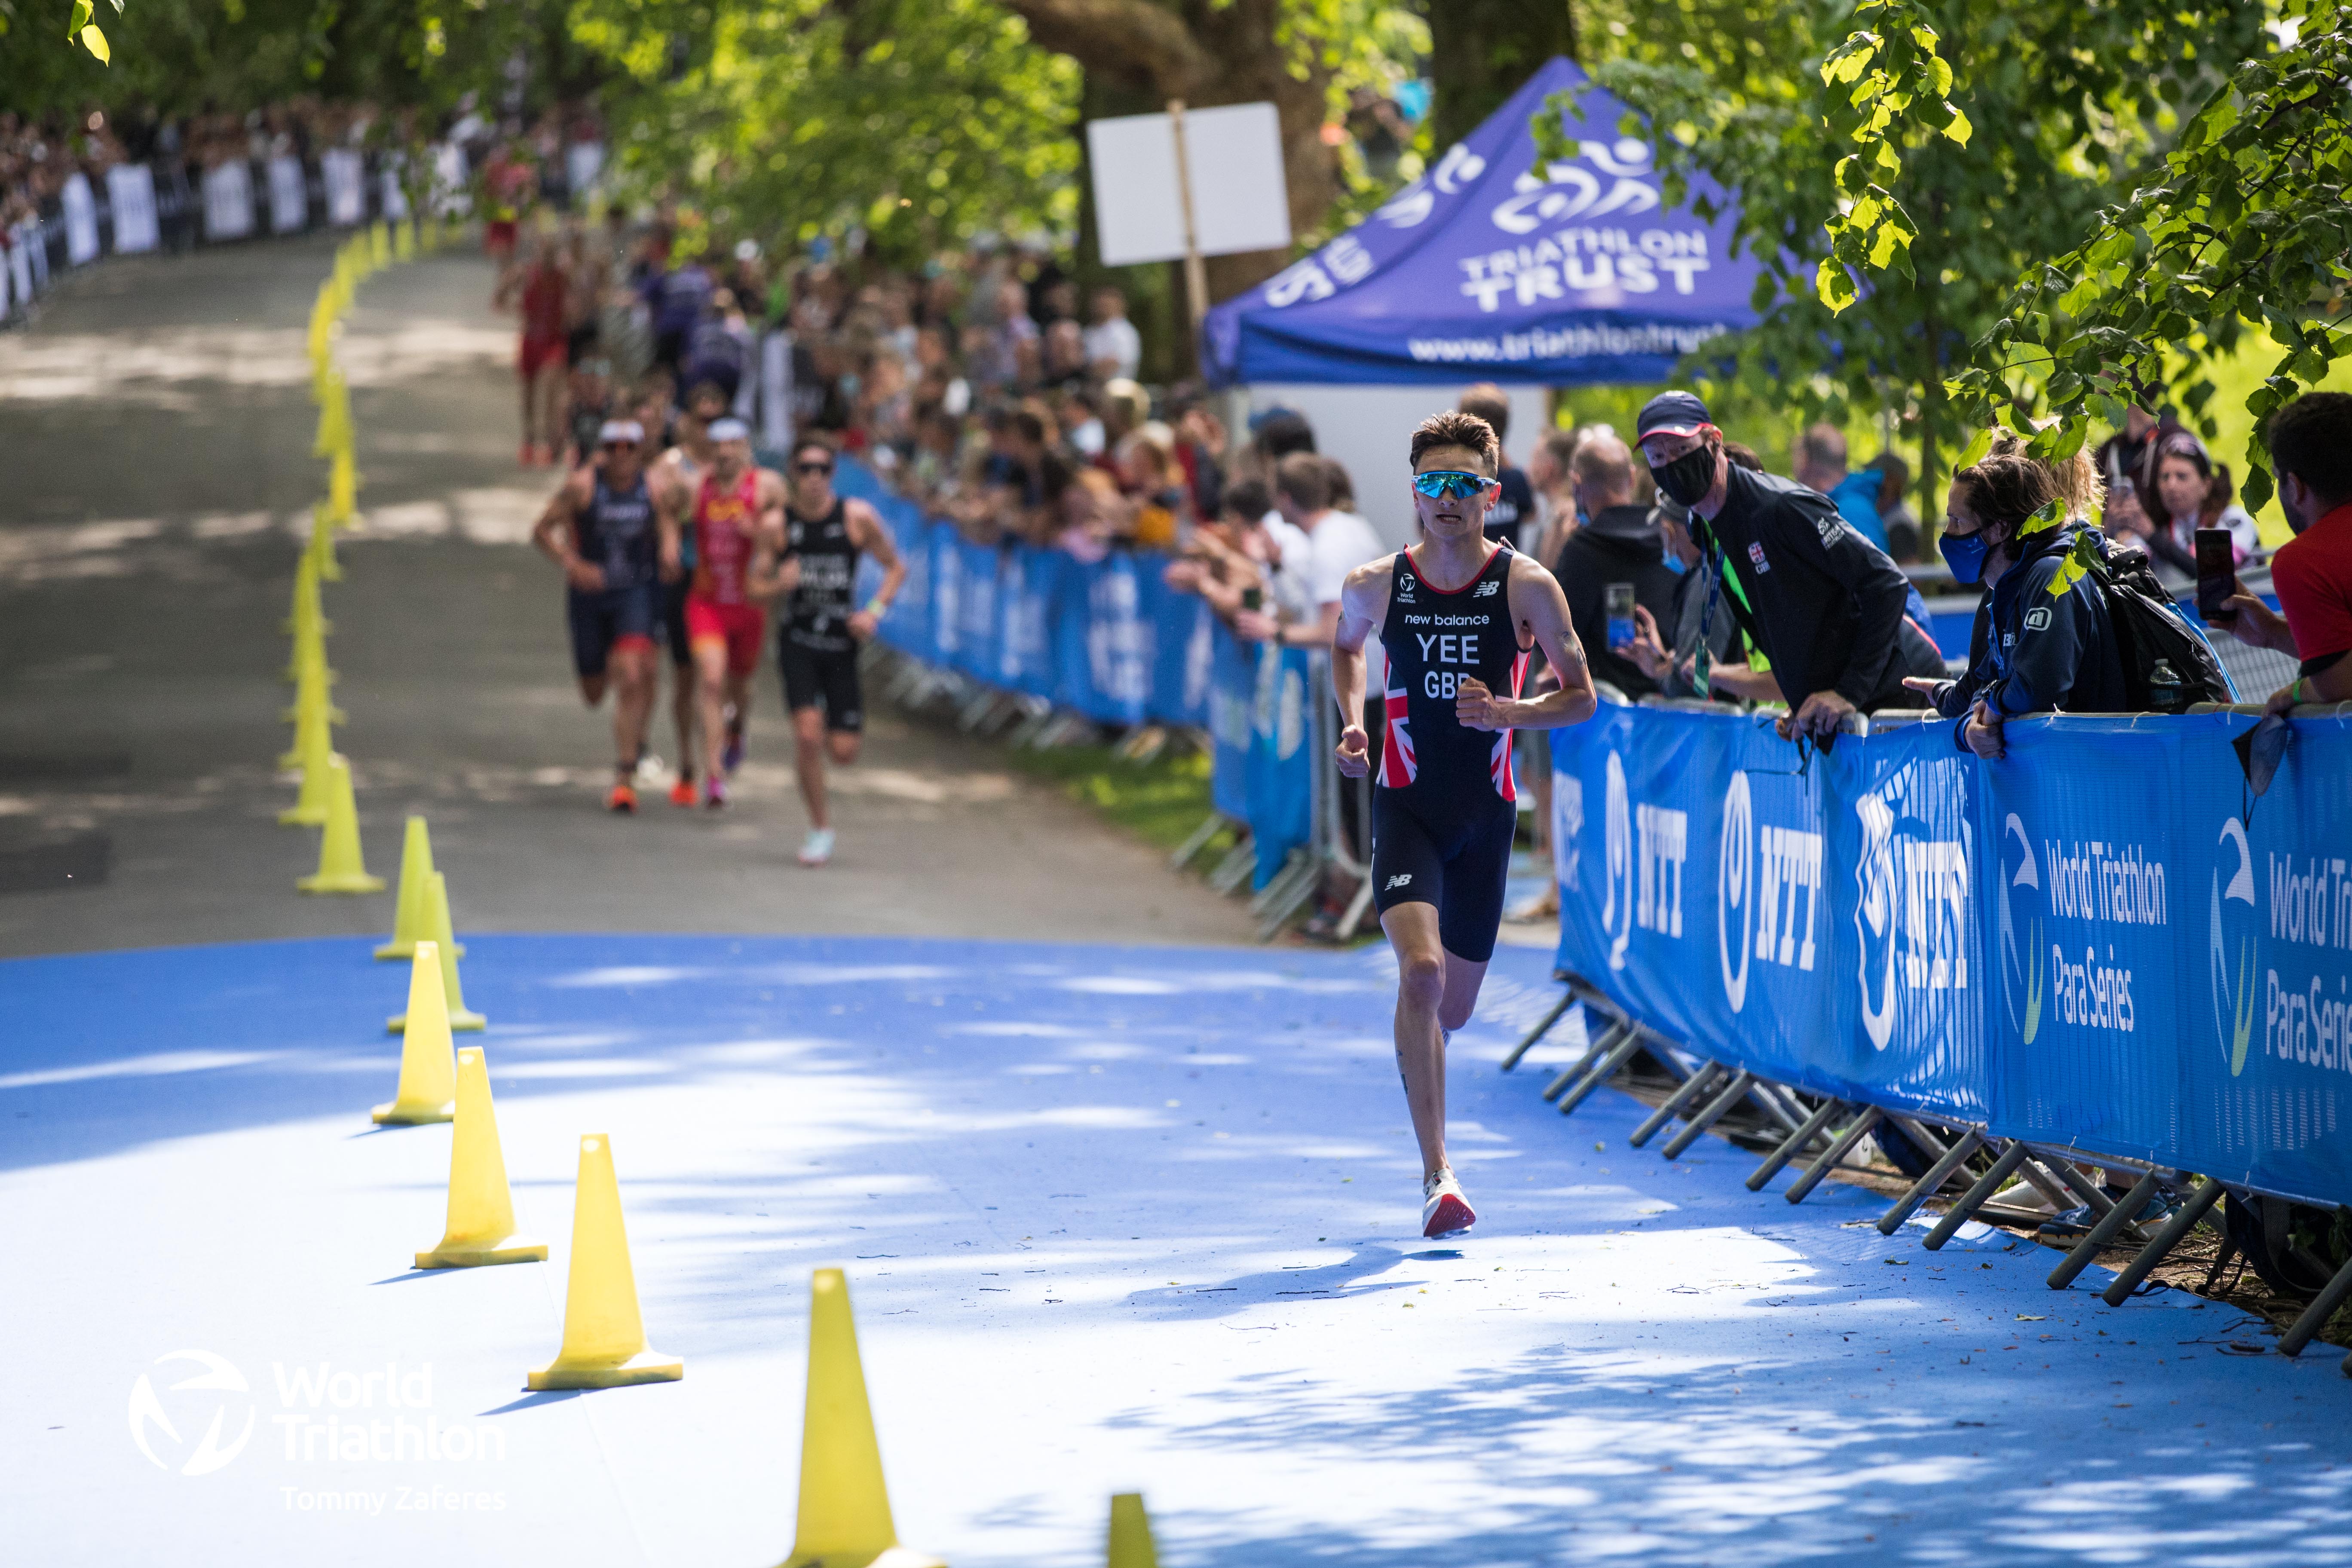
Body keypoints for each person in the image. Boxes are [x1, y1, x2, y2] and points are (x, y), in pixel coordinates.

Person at [1330, 410, 1598, 1238]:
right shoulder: (1376, 582)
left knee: (1452, 1010)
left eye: (1463, 485)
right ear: (1414, 493)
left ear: (1490, 493)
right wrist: (1353, 720)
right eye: (1431, 485)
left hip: (1485, 819)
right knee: (1419, 976)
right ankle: (1437, 1173)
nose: (1446, 500)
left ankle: (1435, 1098)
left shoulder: (1526, 586)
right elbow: (1344, 648)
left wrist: (1507, 711)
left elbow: (1580, 695)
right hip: (1406, 804)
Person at [1634, 390, 1943, 741]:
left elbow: (1886, 583)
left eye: (1681, 450)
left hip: (1897, 684)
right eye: (1657, 456)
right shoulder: (1706, 526)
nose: (1671, 465)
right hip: (1840, 699)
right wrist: (1801, 696)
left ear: (1714, 441)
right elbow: (1782, 620)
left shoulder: (1779, 507)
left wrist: (1848, 692)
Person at [1899, 451, 2128, 758]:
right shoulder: (2006, 589)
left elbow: (2036, 688)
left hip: (2095, 772)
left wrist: (1992, 704)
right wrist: (1954, 709)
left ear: (2000, 529)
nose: (1948, 534)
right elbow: (1982, 685)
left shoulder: (2053, 575)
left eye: (1957, 521)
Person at [528, 420, 684, 810]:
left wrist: (669, 552)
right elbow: (541, 530)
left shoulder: (653, 487)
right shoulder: (583, 486)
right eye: (613, 446)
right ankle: (630, 734)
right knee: (595, 692)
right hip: (590, 596)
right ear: (603, 449)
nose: (621, 455)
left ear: (640, 451)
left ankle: (624, 776)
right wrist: (573, 564)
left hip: (636, 590)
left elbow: (668, 525)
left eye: (630, 447)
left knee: (632, 672)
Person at [775, 438, 906, 866]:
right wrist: (779, 584)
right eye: (805, 470)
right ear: (793, 474)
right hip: (797, 641)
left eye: (823, 470)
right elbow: (751, 587)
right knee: (808, 735)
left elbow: (896, 567)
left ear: (833, 474)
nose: (814, 479)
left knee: (844, 752)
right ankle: (820, 828)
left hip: (841, 645)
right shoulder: (778, 525)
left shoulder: (856, 518)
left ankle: (828, 729)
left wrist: (872, 612)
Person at [2217, 392, 2352, 713]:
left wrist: (2290, 695)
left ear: (2295, 486)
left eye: (2278, 479)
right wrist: (2275, 634)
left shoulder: (2304, 561)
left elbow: (2341, 686)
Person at [682, 419, 790, 807]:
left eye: (733, 445)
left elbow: (787, 531)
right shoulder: (697, 485)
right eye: (719, 446)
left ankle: (737, 731)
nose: (726, 453)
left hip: (748, 604)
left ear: (745, 446)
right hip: (707, 601)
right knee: (711, 680)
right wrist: (666, 541)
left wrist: (763, 536)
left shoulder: (767, 486)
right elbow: (667, 508)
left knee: (741, 687)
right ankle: (714, 773)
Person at [1546, 430, 1681, 700]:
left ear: (1576, 484)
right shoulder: (1672, 537)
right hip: (1675, 709)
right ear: (1631, 477)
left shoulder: (1581, 550)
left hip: (1604, 718)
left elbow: (1552, 637)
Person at [650, 379, 729, 805]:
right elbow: (663, 508)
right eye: (703, 421)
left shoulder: (738, 466)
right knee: (690, 678)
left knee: (724, 680)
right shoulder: (672, 464)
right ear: (688, 423)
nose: (710, 431)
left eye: (719, 422)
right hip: (688, 580)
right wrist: (667, 542)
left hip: (727, 581)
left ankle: (725, 741)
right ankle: (690, 764)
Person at [496, 236, 570, 466]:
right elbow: (499, 300)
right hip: (530, 341)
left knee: (550, 393)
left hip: (554, 342)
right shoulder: (527, 273)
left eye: (552, 252)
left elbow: (577, 303)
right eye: (543, 252)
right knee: (528, 396)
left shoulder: (563, 277)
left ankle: (550, 444)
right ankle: (529, 441)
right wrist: (519, 310)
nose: (548, 257)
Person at [2151, 430, 2260, 570]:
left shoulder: (2233, 517)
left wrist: (2151, 537)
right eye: (2165, 477)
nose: (2171, 486)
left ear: (2206, 485)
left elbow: (2214, 569)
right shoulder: (2161, 528)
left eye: (2182, 476)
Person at [1458, 384, 1537, 551]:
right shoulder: (1516, 479)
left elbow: (1422, 525)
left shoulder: (1454, 480)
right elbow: (1531, 515)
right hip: (1508, 571)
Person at [1082, 285, 1141, 380]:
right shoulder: (1089, 331)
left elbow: (1113, 364)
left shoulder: (1125, 332)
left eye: (1106, 304)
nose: (1102, 307)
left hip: (1117, 389)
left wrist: (1085, 369)